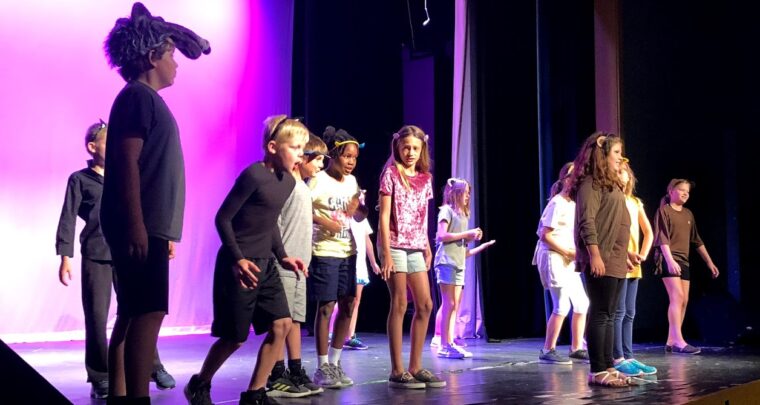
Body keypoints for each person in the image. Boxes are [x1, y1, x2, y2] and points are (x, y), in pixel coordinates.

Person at [101, 3, 210, 402]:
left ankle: (123, 395)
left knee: (135, 311)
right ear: (152, 57)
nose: (176, 63)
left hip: (149, 224)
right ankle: (137, 397)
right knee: (148, 312)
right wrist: (136, 225)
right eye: (171, 54)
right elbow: (126, 162)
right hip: (140, 223)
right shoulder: (137, 98)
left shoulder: (144, 99)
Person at [184, 116, 308, 405]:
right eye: (295, 147)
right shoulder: (253, 175)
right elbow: (223, 218)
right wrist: (238, 259)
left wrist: (283, 256)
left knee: (282, 324)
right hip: (240, 265)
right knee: (235, 337)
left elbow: (270, 222)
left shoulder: (288, 182)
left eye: (303, 148)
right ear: (273, 147)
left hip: (266, 264)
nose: (301, 154)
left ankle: (255, 393)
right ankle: (200, 383)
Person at [55, 121, 175, 399]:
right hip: (96, 254)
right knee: (97, 316)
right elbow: (67, 218)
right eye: (109, 143)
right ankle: (100, 375)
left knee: (138, 312)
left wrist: (165, 237)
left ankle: (152, 366)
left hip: (128, 252)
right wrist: (64, 256)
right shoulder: (80, 180)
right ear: (92, 147)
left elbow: (147, 208)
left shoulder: (127, 176)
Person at [377, 125, 446, 389]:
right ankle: (397, 370)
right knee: (399, 303)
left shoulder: (425, 178)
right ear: (398, 147)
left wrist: (427, 245)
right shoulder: (391, 174)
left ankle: (416, 366)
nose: (410, 152)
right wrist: (385, 253)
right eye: (406, 147)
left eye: (415, 148)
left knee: (426, 304)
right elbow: (384, 216)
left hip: (416, 245)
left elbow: (422, 215)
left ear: (422, 149)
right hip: (394, 244)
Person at [568, 132, 634, 387]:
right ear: (602, 154)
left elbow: (617, 221)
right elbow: (587, 222)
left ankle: (608, 365)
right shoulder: (590, 184)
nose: (621, 158)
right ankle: (597, 370)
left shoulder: (611, 184)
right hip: (601, 256)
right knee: (601, 313)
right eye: (616, 152)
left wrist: (626, 252)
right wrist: (594, 255)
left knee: (610, 313)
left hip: (616, 257)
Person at [266, 133, 328, 398]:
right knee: (281, 322)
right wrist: (280, 256)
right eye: (318, 160)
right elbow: (276, 224)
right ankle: (276, 374)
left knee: (295, 320)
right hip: (284, 264)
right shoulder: (286, 186)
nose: (321, 165)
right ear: (302, 158)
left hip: (300, 265)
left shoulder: (302, 187)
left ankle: (295, 369)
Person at [307, 126, 362, 388]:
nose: (351, 162)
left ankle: (336, 363)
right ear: (334, 156)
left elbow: (359, 216)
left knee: (348, 305)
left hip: (347, 251)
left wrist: (360, 207)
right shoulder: (318, 180)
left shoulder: (351, 182)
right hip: (325, 251)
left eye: (354, 158)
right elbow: (301, 208)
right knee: (326, 307)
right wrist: (324, 221)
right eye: (347, 156)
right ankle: (322, 366)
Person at [653, 178, 720, 355]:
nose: (685, 193)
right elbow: (662, 238)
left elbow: (696, 240)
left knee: (684, 300)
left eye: (688, 192)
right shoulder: (664, 211)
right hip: (668, 258)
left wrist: (709, 262)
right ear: (671, 191)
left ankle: (671, 340)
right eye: (682, 190)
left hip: (684, 261)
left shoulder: (688, 214)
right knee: (677, 297)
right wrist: (670, 261)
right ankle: (679, 341)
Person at [531, 163, 589, 365]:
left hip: (569, 258)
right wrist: (567, 252)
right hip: (554, 256)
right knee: (562, 305)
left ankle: (576, 348)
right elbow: (544, 235)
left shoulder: (574, 204)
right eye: (574, 176)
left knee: (582, 303)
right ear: (565, 179)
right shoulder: (557, 203)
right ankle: (548, 349)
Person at [431, 178, 494, 359]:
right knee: (449, 303)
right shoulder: (446, 210)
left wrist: (479, 244)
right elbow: (441, 236)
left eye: (468, 193)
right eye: (465, 192)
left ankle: (449, 342)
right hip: (446, 262)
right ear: (456, 193)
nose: (467, 196)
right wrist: (467, 234)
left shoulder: (464, 215)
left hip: (459, 263)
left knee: (455, 304)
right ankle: (444, 344)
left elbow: (463, 251)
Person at [612, 159, 657, 375]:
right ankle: (617, 357)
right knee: (618, 311)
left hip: (634, 263)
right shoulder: (612, 199)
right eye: (619, 172)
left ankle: (629, 355)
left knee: (630, 312)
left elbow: (648, 232)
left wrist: (644, 254)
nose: (623, 175)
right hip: (618, 260)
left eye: (625, 172)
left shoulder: (635, 202)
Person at [329, 190, 382, 351]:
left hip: (359, 263)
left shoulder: (362, 219)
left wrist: (373, 262)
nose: (362, 200)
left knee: (355, 301)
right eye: (359, 198)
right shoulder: (344, 216)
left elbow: (367, 241)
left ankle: (349, 336)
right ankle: (332, 333)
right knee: (340, 300)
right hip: (346, 259)